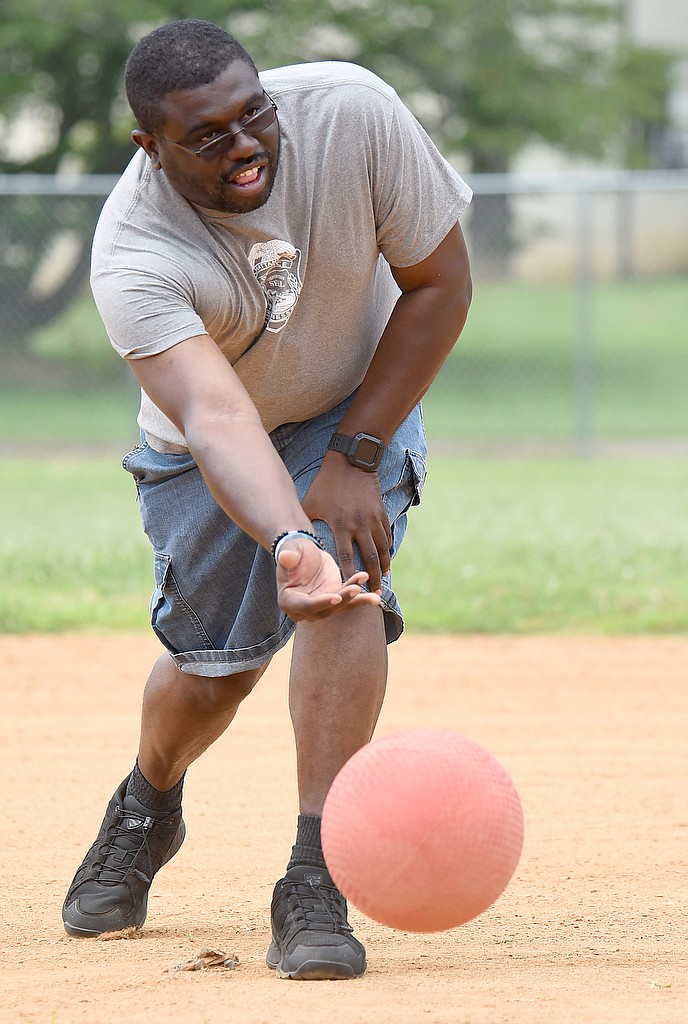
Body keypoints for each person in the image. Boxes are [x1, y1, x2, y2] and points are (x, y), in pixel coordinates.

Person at [62, 18, 472, 981]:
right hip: (212, 444)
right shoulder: (135, 253)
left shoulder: (353, 112)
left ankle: (314, 874)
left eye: (255, 116)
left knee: (346, 583)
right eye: (207, 136)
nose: (244, 144)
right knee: (215, 671)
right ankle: (148, 800)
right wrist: (288, 536)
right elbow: (214, 416)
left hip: (353, 401)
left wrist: (357, 456)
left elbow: (440, 284)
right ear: (151, 146)